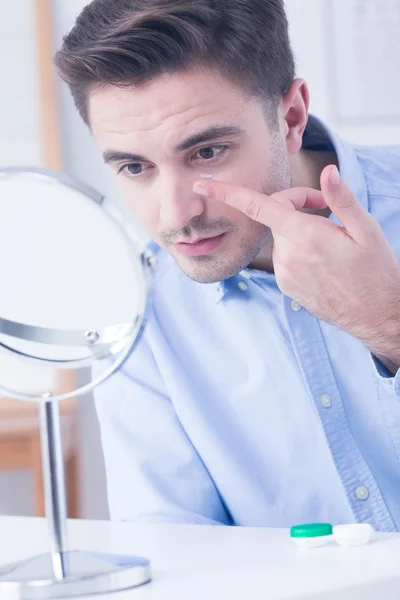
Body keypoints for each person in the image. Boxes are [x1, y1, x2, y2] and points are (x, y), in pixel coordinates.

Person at [55, 0, 400, 530]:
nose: (177, 213)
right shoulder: (137, 314)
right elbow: (176, 551)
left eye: (208, 152)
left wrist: (388, 323)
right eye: (134, 166)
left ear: (290, 118)